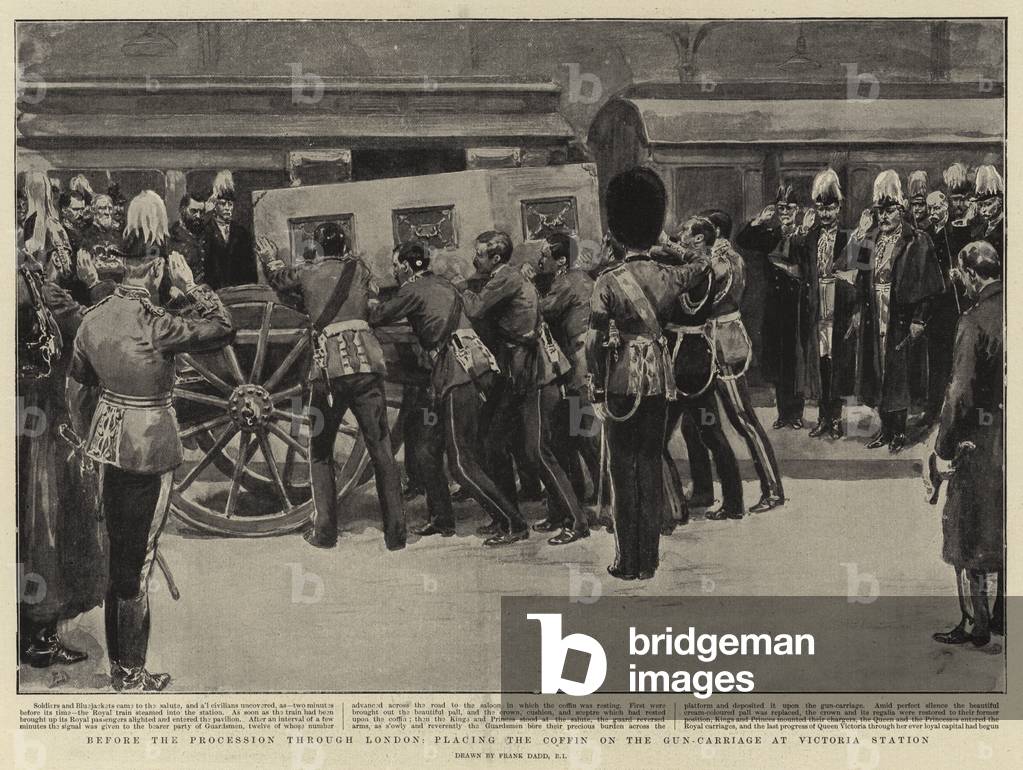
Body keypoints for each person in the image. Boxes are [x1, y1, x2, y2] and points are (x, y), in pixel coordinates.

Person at [67, 191, 235, 691]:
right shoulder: (156, 323)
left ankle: (122, 668)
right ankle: (131, 672)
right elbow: (224, 328)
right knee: (136, 565)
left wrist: (87, 436)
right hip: (149, 447)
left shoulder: (94, 318)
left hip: (106, 445)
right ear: (158, 268)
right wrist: (193, 285)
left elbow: (77, 389)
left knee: (118, 557)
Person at [587, 167, 711, 580]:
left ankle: (628, 561)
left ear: (617, 229)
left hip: (622, 380)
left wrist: (597, 387)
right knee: (650, 466)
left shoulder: (607, 281)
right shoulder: (670, 275)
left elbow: (592, 343)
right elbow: (703, 260)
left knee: (623, 472)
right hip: (660, 378)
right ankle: (650, 560)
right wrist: (667, 243)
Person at [260, 223, 407, 551]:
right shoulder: (360, 271)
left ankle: (325, 532)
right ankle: (396, 534)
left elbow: (281, 280)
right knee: (381, 449)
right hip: (367, 367)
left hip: (328, 374)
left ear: (318, 247)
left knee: (320, 451)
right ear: (345, 246)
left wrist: (270, 259)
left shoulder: (307, 272)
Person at [370, 241, 522, 540]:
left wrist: (371, 298)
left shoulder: (413, 289)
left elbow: (378, 316)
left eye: (396, 265)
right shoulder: (442, 283)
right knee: (427, 451)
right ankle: (442, 519)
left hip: (457, 375)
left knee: (460, 464)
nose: (394, 271)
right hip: (460, 371)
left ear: (405, 266)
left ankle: (513, 522)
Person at [457, 230, 582, 546]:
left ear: (496, 258)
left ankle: (576, 521)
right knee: (496, 441)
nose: (475, 259)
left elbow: (475, 309)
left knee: (537, 449)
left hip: (535, 372)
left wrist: (459, 287)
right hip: (518, 371)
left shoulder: (505, 278)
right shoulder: (506, 277)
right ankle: (509, 517)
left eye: (480, 254)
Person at [18, 241, 108, 669]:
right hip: (43, 424)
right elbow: (98, 328)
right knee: (45, 526)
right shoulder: (42, 291)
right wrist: (95, 283)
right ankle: (40, 636)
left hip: (20, 420)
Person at [931, 241, 1003, 648]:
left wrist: (942, 447)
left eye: (961, 275)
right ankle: (1004, 615)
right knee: (1004, 524)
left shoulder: (973, 320)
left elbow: (959, 392)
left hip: (980, 438)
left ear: (972, 275)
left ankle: (976, 623)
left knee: (965, 528)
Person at [847, 170, 944, 452]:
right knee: (878, 370)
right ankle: (885, 429)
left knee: (898, 374)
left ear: (901, 210)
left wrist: (919, 319)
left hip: (900, 316)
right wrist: (857, 309)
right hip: (874, 311)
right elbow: (858, 274)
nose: (884, 217)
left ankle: (899, 432)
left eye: (889, 211)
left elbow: (931, 287)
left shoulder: (918, 240)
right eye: (880, 211)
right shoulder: (870, 239)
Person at [661, 217, 744, 523]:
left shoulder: (699, 268)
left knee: (660, 437)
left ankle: (674, 507)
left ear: (698, 239)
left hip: (683, 365)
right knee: (707, 431)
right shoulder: (698, 266)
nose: (679, 234)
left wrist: (663, 244)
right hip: (696, 362)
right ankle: (722, 499)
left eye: (685, 232)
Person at [525, 232, 602, 528]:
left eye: (544, 255)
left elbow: (541, 310)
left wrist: (528, 284)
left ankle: (601, 503)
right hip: (579, 362)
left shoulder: (568, 282)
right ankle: (582, 499)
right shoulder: (577, 278)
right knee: (575, 434)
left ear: (559, 261)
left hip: (579, 366)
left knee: (584, 434)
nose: (539, 260)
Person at [736, 185, 809, 429]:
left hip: (797, 305)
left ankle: (796, 413)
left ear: (797, 210)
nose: (784, 212)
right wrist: (758, 221)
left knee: (794, 360)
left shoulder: (804, 233)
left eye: (789, 208)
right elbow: (743, 240)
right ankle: (782, 414)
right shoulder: (770, 234)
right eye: (781, 208)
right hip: (775, 307)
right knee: (777, 360)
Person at [799, 169, 856, 440]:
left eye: (830, 208)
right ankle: (823, 418)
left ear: (839, 208)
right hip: (816, 307)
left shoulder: (850, 236)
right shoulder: (810, 238)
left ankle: (835, 419)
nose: (825, 213)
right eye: (821, 208)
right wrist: (802, 230)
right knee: (821, 362)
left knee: (837, 364)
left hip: (840, 305)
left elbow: (860, 273)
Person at [922, 191, 968, 428]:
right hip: (933, 307)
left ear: (946, 207)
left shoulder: (958, 232)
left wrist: (959, 274)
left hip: (954, 306)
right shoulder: (926, 234)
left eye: (937, 208)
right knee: (935, 363)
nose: (933, 213)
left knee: (955, 362)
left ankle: (954, 414)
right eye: (930, 209)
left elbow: (968, 264)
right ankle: (932, 412)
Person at [204, 170, 257, 289]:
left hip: (238, 290)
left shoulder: (242, 232)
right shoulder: (206, 230)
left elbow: (250, 266)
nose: (228, 208)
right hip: (214, 291)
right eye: (223, 204)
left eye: (230, 204)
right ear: (215, 206)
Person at [169, 190, 210, 284]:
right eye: (193, 211)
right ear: (182, 210)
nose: (198, 216)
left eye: (201, 212)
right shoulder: (171, 237)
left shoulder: (206, 233)